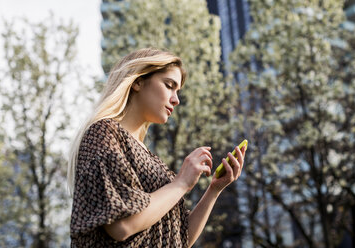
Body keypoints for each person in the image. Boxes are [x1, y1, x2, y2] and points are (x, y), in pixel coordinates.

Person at [67, 48, 246, 247]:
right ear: (137, 81)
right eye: (169, 86)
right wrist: (181, 183)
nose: (176, 100)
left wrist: (214, 190)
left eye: (177, 91)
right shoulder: (103, 134)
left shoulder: (151, 159)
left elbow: (179, 238)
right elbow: (122, 225)